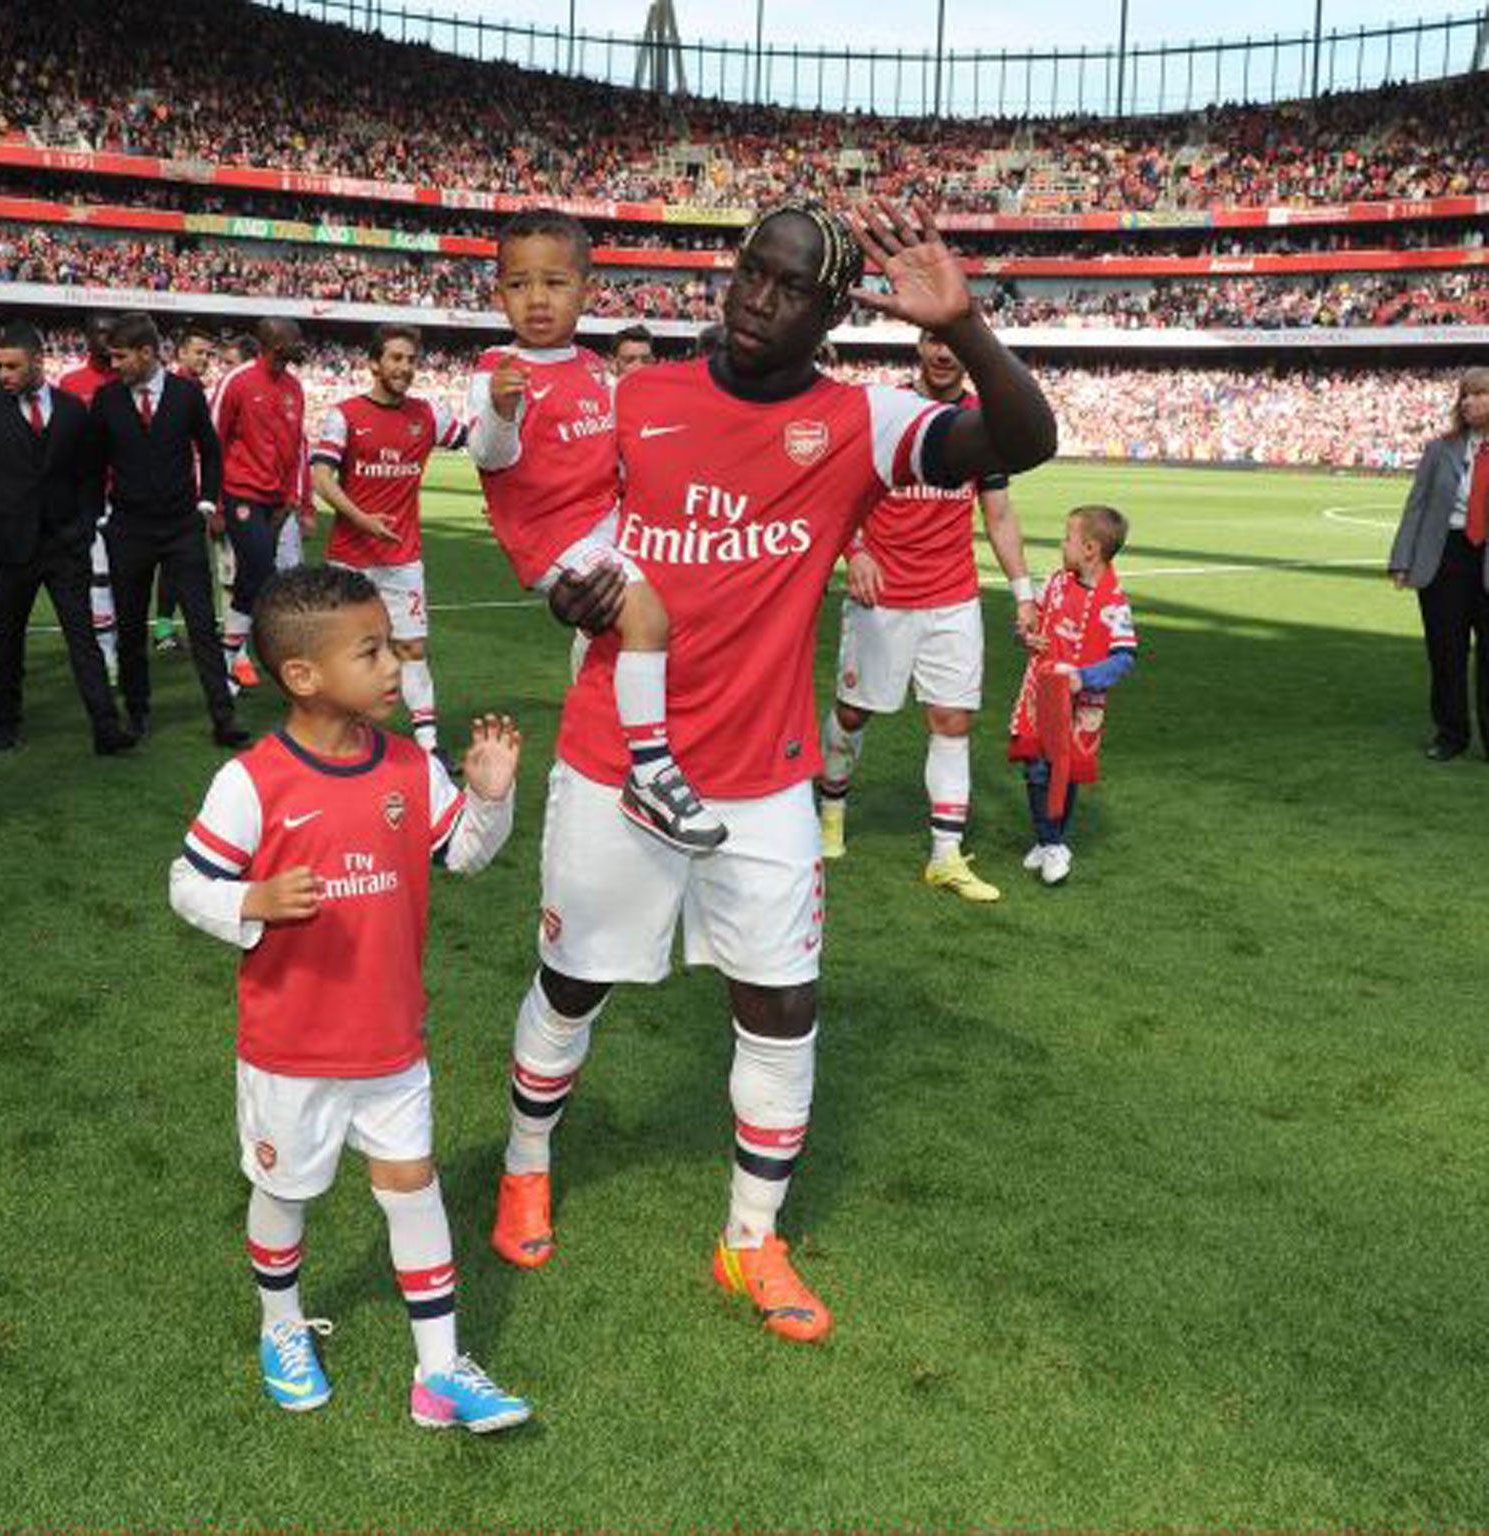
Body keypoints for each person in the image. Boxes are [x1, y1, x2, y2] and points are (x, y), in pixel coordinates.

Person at [486, 199, 1056, 1347]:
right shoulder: (633, 397)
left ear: (831, 310)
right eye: (750, 271)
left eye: (789, 286)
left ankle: (750, 1239)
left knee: (782, 1008)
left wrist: (969, 328)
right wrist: (565, 588)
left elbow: (1021, 442)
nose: (756, 297)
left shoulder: (857, 421)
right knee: (572, 982)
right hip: (616, 763)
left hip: (759, 782)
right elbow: (557, 529)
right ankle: (522, 1165)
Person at [168, 564, 531, 1432]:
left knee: (413, 1184)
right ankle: (280, 1326)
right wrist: (248, 901)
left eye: (391, 643)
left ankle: (439, 1372)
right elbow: (188, 882)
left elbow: (466, 856)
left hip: (391, 1043)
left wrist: (492, 797)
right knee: (286, 1191)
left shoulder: (409, 764)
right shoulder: (252, 782)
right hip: (291, 1050)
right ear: (303, 676)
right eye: (370, 651)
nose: (395, 662)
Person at [467, 207, 724, 854]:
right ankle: (651, 769)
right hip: (555, 537)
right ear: (499, 293)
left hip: (608, 520)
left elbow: (613, 456)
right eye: (520, 284)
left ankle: (614, 731)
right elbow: (491, 456)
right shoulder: (498, 370)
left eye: (553, 283)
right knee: (643, 616)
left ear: (586, 289)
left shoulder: (588, 366)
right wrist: (501, 408)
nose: (536, 299)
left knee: (673, 606)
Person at [815, 329, 1041, 902]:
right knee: (853, 712)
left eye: (953, 343)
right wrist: (857, 553)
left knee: (952, 722)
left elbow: (1000, 514)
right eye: (934, 341)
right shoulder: (888, 411)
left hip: (952, 598)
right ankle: (831, 814)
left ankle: (944, 856)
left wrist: (1024, 594)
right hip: (881, 599)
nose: (943, 352)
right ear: (918, 345)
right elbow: (840, 496)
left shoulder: (981, 422)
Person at [0, 322, 124, 754]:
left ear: (38, 362)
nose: (3, 374)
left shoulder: (73, 410)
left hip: (64, 543)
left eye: (12, 366)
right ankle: (5, 722)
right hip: (7, 545)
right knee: (5, 639)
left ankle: (106, 726)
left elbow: (91, 474)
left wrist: (85, 524)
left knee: (83, 638)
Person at [312, 323, 468, 760]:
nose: (404, 367)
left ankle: (429, 746)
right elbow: (321, 477)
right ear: (374, 363)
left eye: (411, 360)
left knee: (412, 648)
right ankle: (342, 737)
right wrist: (362, 520)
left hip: (402, 558)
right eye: (395, 358)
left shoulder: (429, 414)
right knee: (348, 649)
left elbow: (482, 448)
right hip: (350, 558)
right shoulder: (344, 415)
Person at [91, 312, 247, 748]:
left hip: (181, 527)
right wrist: (99, 515)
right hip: (127, 529)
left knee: (201, 625)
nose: (115, 365)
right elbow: (91, 463)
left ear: (146, 352)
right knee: (130, 627)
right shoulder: (107, 399)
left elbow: (211, 453)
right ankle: (136, 713)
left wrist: (205, 503)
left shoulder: (186, 394)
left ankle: (223, 717)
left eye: (121, 356)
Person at [1007, 505, 1139, 885]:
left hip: (1082, 703)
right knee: (1036, 767)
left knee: (1067, 773)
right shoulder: (1055, 583)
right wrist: (1026, 635)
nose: (1061, 544)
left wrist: (1083, 678)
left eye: (1068, 538)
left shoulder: (1114, 604)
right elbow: (1031, 625)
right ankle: (1050, 842)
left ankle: (1052, 839)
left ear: (1090, 549)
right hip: (1041, 693)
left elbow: (1125, 658)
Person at [1388, 366, 1489, 760]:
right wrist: (1402, 558)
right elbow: (1416, 505)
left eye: (1479, 394)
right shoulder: (1440, 449)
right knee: (1446, 652)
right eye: (1465, 395)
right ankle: (1450, 735)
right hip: (1445, 558)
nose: (1469, 402)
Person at [211, 318, 310, 693]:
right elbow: (212, 440)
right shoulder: (237, 381)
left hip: (276, 503)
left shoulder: (295, 387)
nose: (301, 345)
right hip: (241, 494)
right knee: (262, 572)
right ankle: (285, 663)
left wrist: (292, 500)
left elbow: (295, 447)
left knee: (250, 581)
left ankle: (225, 659)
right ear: (273, 342)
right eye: (294, 339)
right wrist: (214, 504)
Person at [59, 315, 127, 680]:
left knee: (127, 576)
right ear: (85, 338)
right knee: (98, 577)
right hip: (88, 497)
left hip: (130, 494)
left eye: (111, 333)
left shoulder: (129, 380)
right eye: (99, 332)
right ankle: (106, 655)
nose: (106, 339)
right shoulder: (71, 383)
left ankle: (123, 650)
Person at [158, 320, 221, 653]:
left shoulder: (191, 388)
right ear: (180, 353)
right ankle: (195, 634)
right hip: (180, 493)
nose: (204, 359)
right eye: (198, 353)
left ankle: (165, 630)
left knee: (173, 566)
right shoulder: (178, 388)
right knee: (187, 566)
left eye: (208, 354)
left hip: (188, 490)